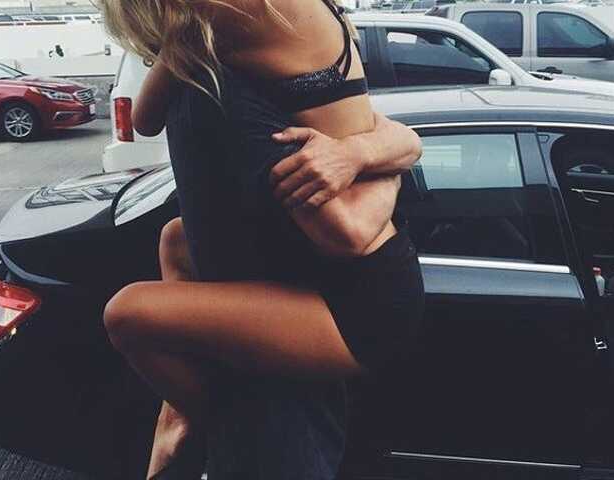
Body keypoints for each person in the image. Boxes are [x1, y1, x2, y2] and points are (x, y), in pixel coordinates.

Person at [97, 0, 425, 478]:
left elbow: (351, 235)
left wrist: (371, 160)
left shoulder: (234, 14)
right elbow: (146, 119)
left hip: (363, 301)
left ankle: (195, 412)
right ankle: (193, 401)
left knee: (126, 313)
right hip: (340, 251)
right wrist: (380, 150)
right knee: (175, 239)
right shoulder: (211, 26)